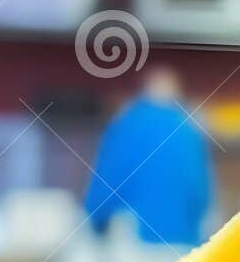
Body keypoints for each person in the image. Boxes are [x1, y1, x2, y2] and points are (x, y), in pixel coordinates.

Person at [83, 67, 213, 247]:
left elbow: (104, 191)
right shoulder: (189, 130)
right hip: (182, 244)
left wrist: (96, 225)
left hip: (131, 245)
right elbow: (201, 196)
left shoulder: (125, 125)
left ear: (142, 91)